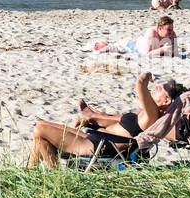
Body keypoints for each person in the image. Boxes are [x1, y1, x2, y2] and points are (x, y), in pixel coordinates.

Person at [28, 72, 180, 168]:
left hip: (102, 147)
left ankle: (56, 179)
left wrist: (146, 76)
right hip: (97, 137)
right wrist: (91, 120)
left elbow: (140, 84)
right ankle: (30, 173)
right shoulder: (143, 113)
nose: (158, 87)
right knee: (41, 128)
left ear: (167, 101)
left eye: (162, 89)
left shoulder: (152, 115)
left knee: (40, 131)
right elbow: (116, 122)